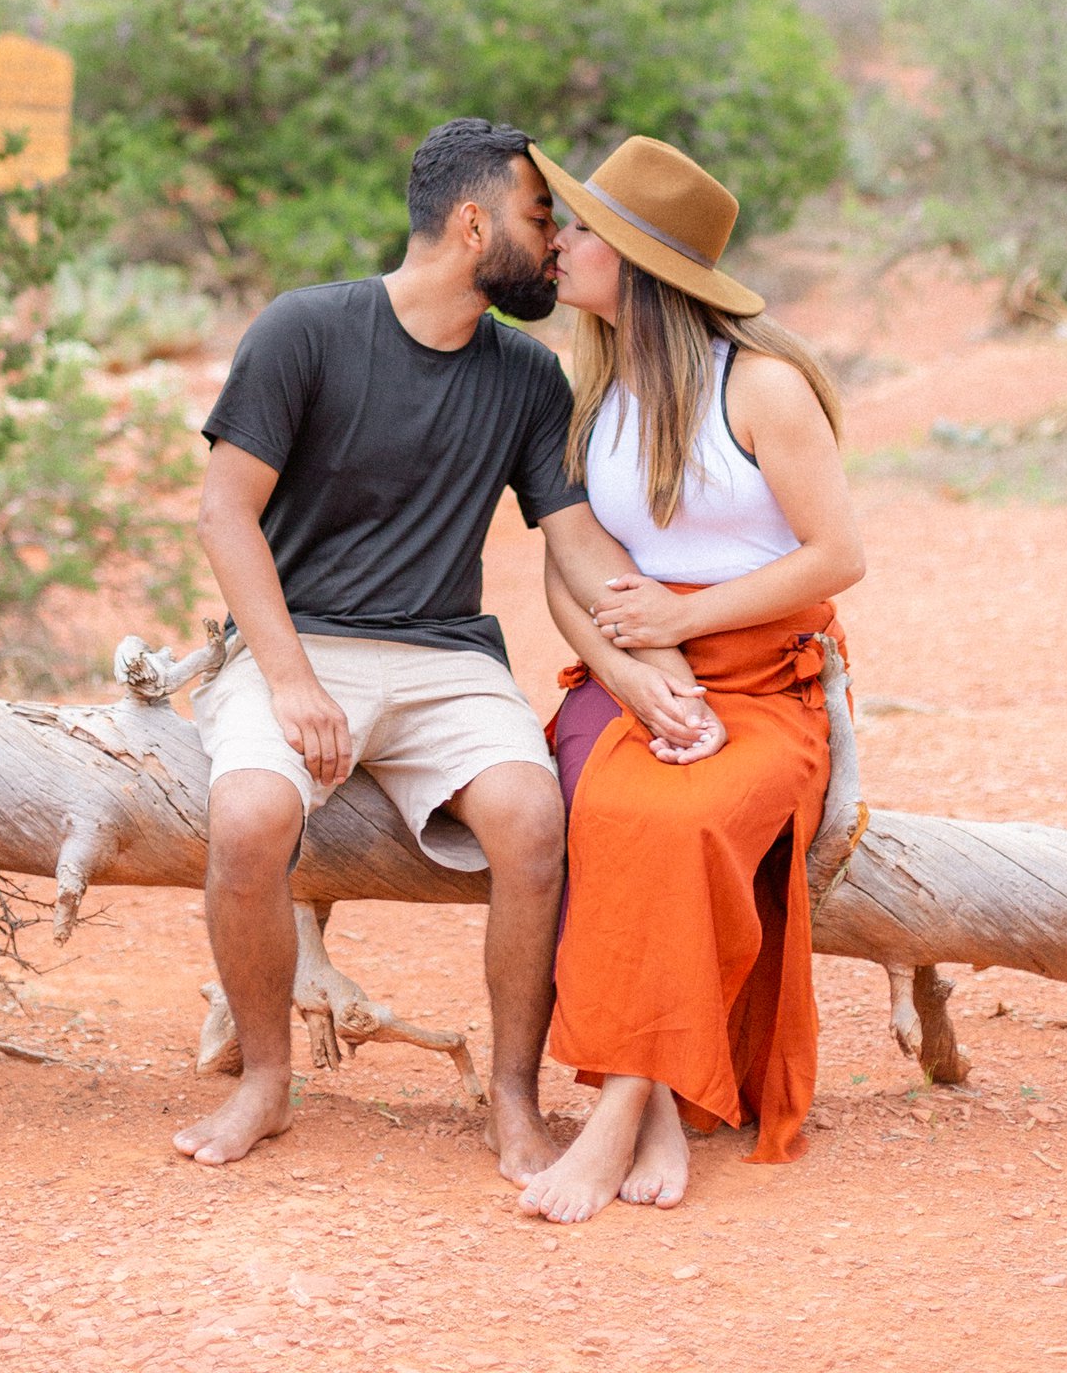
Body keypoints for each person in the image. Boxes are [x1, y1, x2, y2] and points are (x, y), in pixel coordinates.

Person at [173, 118, 721, 1177]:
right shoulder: (306, 330)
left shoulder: (527, 379)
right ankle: (267, 1082)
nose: (554, 240)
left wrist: (668, 663)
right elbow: (222, 516)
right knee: (247, 820)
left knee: (530, 821)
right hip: (299, 644)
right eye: (537, 215)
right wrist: (288, 682)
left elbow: (576, 545)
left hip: (446, 658)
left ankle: (512, 1100)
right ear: (474, 225)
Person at [521, 134, 867, 1224]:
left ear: (638, 262)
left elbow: (837, 556)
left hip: (766, 682)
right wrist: (630, 669)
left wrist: (686, 618)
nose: (561, 242)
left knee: (683, 824)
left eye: (581, 230)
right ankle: (656, 1097)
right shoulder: (591, 387)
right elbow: (563, 566)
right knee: (608, 803)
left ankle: (620, 1109)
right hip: (635, 669)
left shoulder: (761, 387)